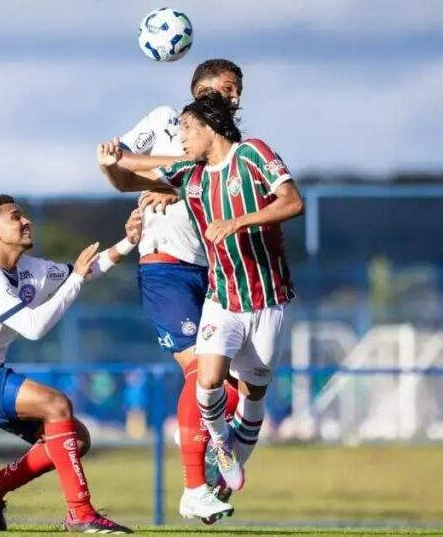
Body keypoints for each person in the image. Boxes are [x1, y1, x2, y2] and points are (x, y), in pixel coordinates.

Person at [97, 91, 304, 503]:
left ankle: (224, 483)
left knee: (252, 395)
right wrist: (111, 158)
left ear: (210, 129)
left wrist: (238, 221)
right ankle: (219, 446)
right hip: (222, 297)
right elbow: (133, 174)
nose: (182, 137)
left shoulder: (253, 154)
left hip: (267, 299)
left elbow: (293, 202)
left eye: (188, 129)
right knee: (206, 380)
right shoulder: (191, 175)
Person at [0, 194, 137, 534]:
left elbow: (86, 271)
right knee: (57, 404)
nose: (26, 221)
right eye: (15, 217)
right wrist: (74, 282)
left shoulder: (32, 269)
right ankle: (81, 514)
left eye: (24, 215)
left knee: (77, 437)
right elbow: (33, 328)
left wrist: (130, 241)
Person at [103, 59, 246, 522]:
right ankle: (193, 487)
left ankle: (209, 463)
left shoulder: (231, 148)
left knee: (232, 385)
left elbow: (199, 175)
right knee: (198, 374)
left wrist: (173, 184)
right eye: (227, 88)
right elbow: (119, 169)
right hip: (164, 267)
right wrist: (165, 179)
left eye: (238, 90)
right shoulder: (167, 121)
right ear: (200, 90)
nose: (235, 96)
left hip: (210, 271)